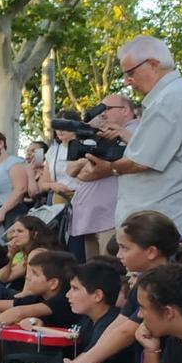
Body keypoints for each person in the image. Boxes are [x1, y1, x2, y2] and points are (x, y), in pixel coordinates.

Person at [82, 35, 182, 238]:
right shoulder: (178, 96)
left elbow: (141, 162)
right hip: (167, 218)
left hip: (157, 224)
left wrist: (109, 168)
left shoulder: (169, 101)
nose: (127, 81)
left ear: (153, 64)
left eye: (130, 73)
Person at [69, 210, 182, 363]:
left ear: (151, 252)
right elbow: (117, 326)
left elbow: (126, 332)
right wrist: (87, 357)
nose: (119, 255)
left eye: (125, 248)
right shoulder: (144, 281)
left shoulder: (162, 285)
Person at [68, 94, 139, 257]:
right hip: (90, 218)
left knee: (109, 273)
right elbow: (72, 170)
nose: (102, 114)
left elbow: (93, 171)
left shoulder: (136, 132)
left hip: (110, 219)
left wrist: (90, 167)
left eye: (106, 109)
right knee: (93, 275)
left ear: (125, 110)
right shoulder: (104, 133)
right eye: (99, 110)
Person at [38, 111, 82, 206]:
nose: (61, 130)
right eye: (58, 126)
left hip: (83, 197)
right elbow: (43, 183)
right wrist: (53, 185)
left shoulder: (86, 146)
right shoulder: (52, 151)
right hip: (59, 199)